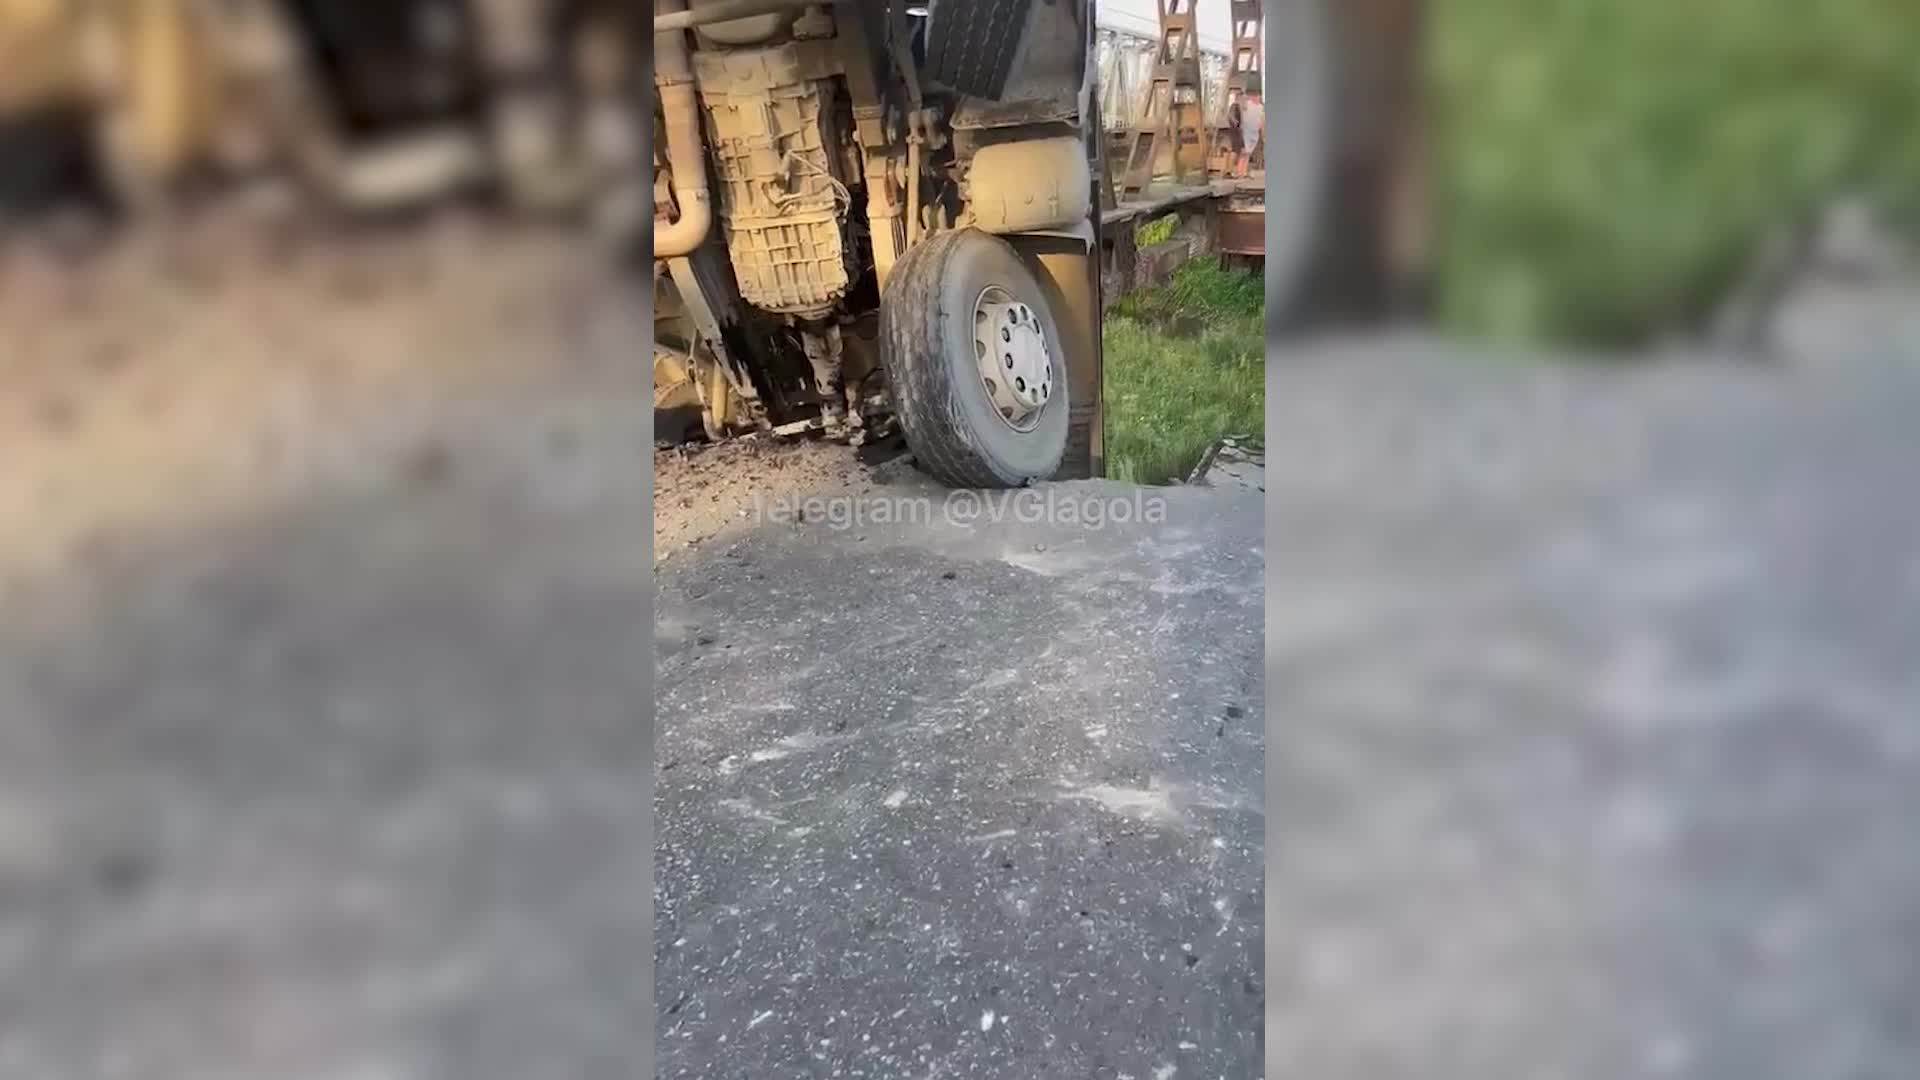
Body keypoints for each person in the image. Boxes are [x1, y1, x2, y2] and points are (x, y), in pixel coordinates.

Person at [1236, 88, 1264, 177]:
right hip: (1246, 131)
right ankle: (1239, 171)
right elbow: (1241, 104)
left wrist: (1261, 126)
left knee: (1248, 153)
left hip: (1254, 132)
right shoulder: (1248, 104)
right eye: (1255, 96)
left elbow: (1261, 118)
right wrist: (1245, 97)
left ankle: (1243, 172)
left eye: (1258, 97)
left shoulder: (1261, 107)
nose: (1257, 98)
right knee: (1244, 152)